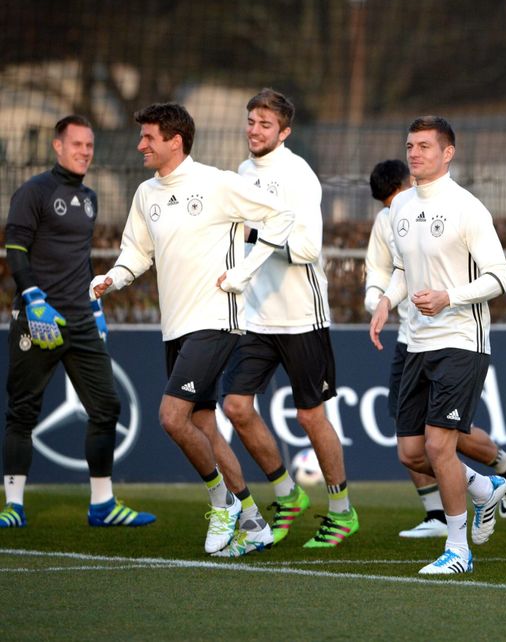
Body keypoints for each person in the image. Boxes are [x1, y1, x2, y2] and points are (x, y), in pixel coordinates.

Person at [91, 102, 294, 555]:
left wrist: (245, 270)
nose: (140, 144)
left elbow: (282, 216)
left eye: (148, 137)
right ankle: (254, 520)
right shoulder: (146, 194)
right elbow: (136, 252)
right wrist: (114, 277)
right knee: (203, 424)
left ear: (174, 141)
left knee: (171, 417)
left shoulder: (217, 183)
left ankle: (220, 504)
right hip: (177, 327)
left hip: (216, 318)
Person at [213, 89, 357, 555]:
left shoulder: (298, 174)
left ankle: (341, 511)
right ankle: (287, 494)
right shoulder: (240, 173)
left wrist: (257, 234)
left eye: (265, 124)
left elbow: (310, 249)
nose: (255, 130)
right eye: (251, 121)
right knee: (236, 407)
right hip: (256, 317)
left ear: (284, 131)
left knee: (311, 416)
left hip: (301, 318)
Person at [369, 116, 506, 575]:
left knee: (438, 447)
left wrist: (451, 296)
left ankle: (458, 550)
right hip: (417, 342)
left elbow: (499, 276)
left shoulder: (468, 207)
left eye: (425, 146)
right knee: (410, 453)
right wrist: (387, 302)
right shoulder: (399, 207)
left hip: (461, 341)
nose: (414, 153)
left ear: (448, 153)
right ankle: (485, 488)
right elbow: (402, 269)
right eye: (410, 145)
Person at [2, 115, 155, 529]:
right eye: (77, 145)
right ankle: (13, 504)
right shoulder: (34, 191)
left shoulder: (89, 197)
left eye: (89, 146)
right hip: (39, 321)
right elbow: (15, 248)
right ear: (57, 146)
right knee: (23, 412)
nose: (85, 152)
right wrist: (32, 299)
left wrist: (94, 304)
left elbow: (78, 259)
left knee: (106, 407)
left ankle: (102, 505)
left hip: (80, 321)